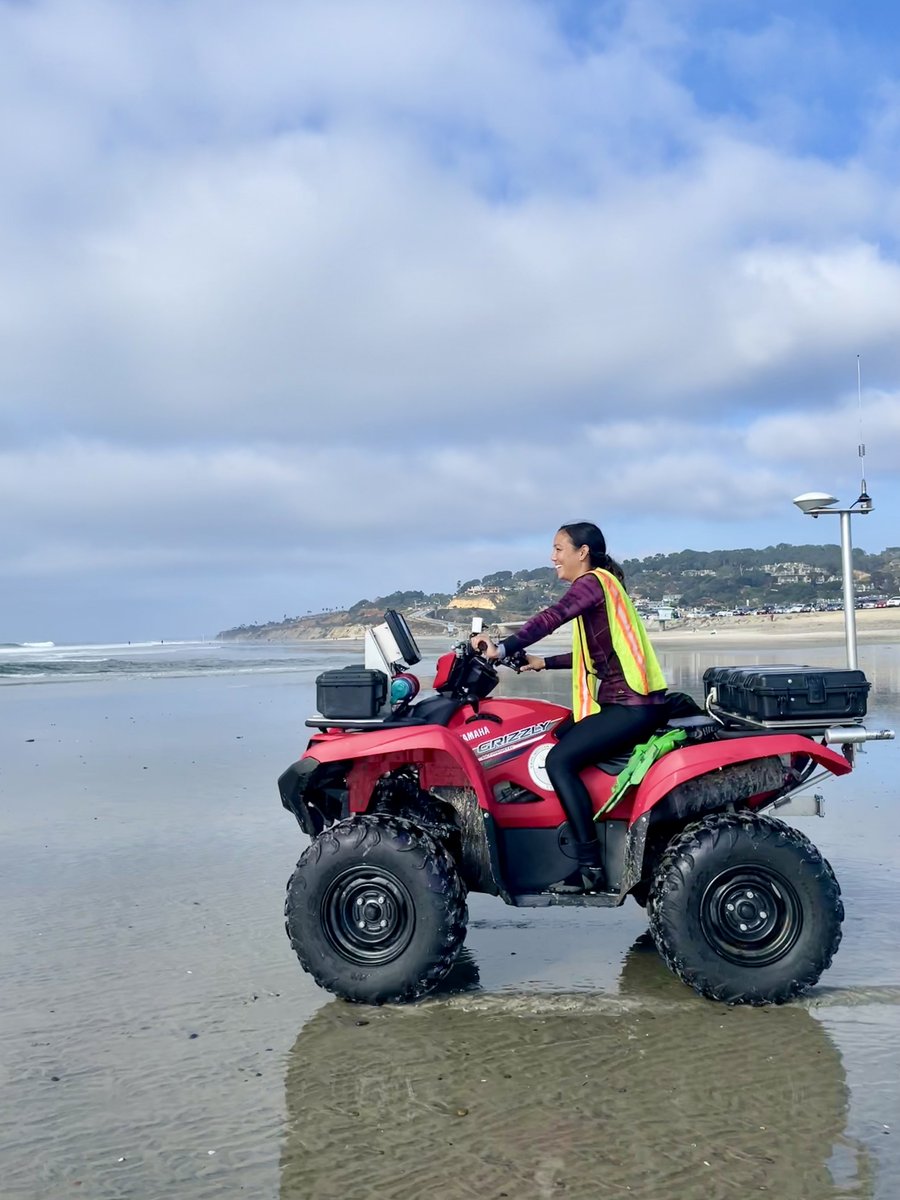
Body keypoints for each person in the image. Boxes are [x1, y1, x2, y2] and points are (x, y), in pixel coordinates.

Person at [471, 521, 667, 893]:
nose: (553, 556)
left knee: (558, 760)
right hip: (628, 702)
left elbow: (552, 617)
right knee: (554, 734)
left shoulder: (592, 582)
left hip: (632, 706)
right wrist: (542, 662)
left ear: (583, 553)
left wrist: (503, 648)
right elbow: (595, 654)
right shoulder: (605, 586)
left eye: (559, 549)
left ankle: (589, 865)